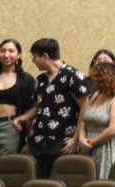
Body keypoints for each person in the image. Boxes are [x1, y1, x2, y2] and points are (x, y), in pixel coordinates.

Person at [24, 38, 92, 178]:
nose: (33, 61)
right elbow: (37, 106)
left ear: (45, 56)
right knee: (38, 183)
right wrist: (22, 119)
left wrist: (75, 139)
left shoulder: (74, 76)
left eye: (34, 57)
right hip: (39, 143)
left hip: (62, 143)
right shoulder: (41, 80)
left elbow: (85, 108)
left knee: (58, 184)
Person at [77, 61, 115, 179]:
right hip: (92, 147)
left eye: (95, 78)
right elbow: (85, 118)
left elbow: (113, 129)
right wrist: (82, 138)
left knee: (108, 183)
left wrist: (91, 143)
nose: (91, 81)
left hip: (112, 148)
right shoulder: (96, 95)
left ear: (104, 79)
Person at [0, 40, 36, 172]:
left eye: (11, 51)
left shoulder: (26, 80)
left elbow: (34, 107)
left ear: (19, 54)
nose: (6, 55)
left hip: (11, 127)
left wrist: (27, 133)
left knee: (5, 166)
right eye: (3, 51)